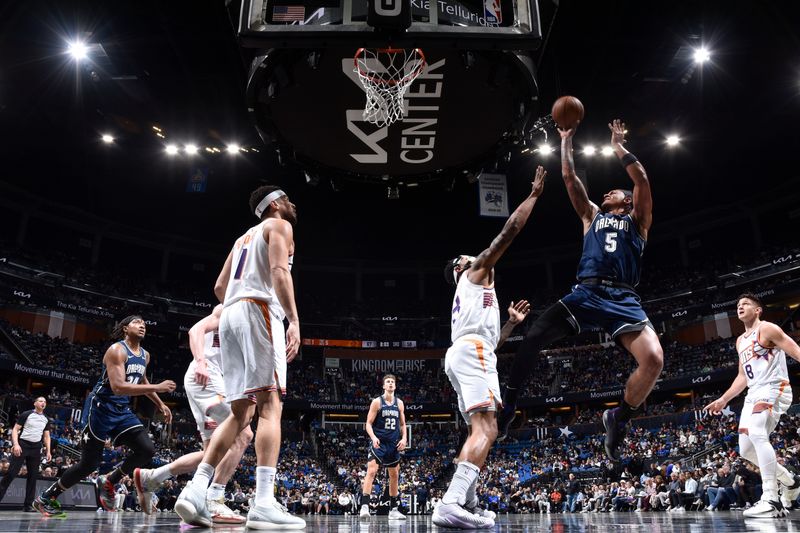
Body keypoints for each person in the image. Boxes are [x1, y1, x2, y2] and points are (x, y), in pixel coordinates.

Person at [498, 119, 664, 463]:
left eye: (614, 192)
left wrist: (618, 146)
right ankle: (510, 406)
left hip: (623, 298)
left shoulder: (639, 221)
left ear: (627, 202)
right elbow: (571, 180)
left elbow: (642, 179)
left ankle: (618, 418)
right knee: (533, 336)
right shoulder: (591, 215)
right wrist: (566, 141)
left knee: (654, 359)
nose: (607, 193)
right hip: (585, 294)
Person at [175, 185, 305, 529]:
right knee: (271, 404)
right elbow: (279, 271)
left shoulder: (241, 239)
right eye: (286, 199)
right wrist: (292, 319)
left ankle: (195, 488)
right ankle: (263, 502)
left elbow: (220, 286)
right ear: (275, 204)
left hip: (229, 316)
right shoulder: (279, 225)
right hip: (257, 309)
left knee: (240, 411)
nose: (291, 204)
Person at [433, 165, 546, 529]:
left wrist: (511, 324)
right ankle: (451, 501)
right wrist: (532, 196)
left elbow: (488, 345)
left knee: (481, 429)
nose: (477, 256)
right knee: (487, 429)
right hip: (471, 353)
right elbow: (508, 232)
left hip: (469, 352)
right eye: (470, 256)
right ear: (462, 266)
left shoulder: (473, 294)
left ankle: (466, 500)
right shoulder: (474, 272)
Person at [33, 315, 175, 517]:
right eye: (137, 322)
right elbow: (118, 387)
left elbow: (140, 380)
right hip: (100, 408)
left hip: (121, 409)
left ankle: (109, 480)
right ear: (125, 329)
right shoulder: (117, 350)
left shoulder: (145, 355)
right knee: (89, 464)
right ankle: (46, 497)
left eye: (144, 323)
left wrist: (160, 404)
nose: (142, 325)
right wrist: (158, 387)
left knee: (147, 449)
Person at [134, 304, 253, 523]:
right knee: (243, 434)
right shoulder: (230, 308)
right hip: (206, 377)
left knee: (212, 453)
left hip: (207, 381)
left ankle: (152, 477)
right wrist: (200, 362)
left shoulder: (250, 322)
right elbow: (195, 331)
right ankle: (214, 501)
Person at [705, 292, 800, 517]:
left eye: (746, 304)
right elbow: (742, 377)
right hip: (754, 393)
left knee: (758, 432)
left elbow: (795, 350)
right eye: (738, 304)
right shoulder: (740, 340)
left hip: (774, 387)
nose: (740, 306)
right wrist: (724, 399)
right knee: (746, 449)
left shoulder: (767, 328)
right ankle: (790, 480)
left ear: (758, 310)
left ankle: (771, 498)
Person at [358, 374, 407, 521]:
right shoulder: (376, 402)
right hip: (379, 442)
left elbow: (403, 424)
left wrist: (404, 438)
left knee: (394, 475)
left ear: (395, 386)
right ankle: (365, 507)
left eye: (393, 382)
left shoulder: (400, 403)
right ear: (384, 386)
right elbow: (368, 423)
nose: (391, 383)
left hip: (393, 444)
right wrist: (373, 438)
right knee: (372, 471)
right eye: (388, 382)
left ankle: (393, 509)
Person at [0, 396, 52, 511]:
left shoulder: (46, 419)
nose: (43, 403)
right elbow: (15, 429)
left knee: (33, 476)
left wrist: (48, 451)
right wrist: (16, 444)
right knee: (11, 473)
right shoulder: (26, 414)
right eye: (40, 401)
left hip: (36, 448)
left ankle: (28, 505)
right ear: (35, 403)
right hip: (23, 445)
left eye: (45, 402)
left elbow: (47, 436)